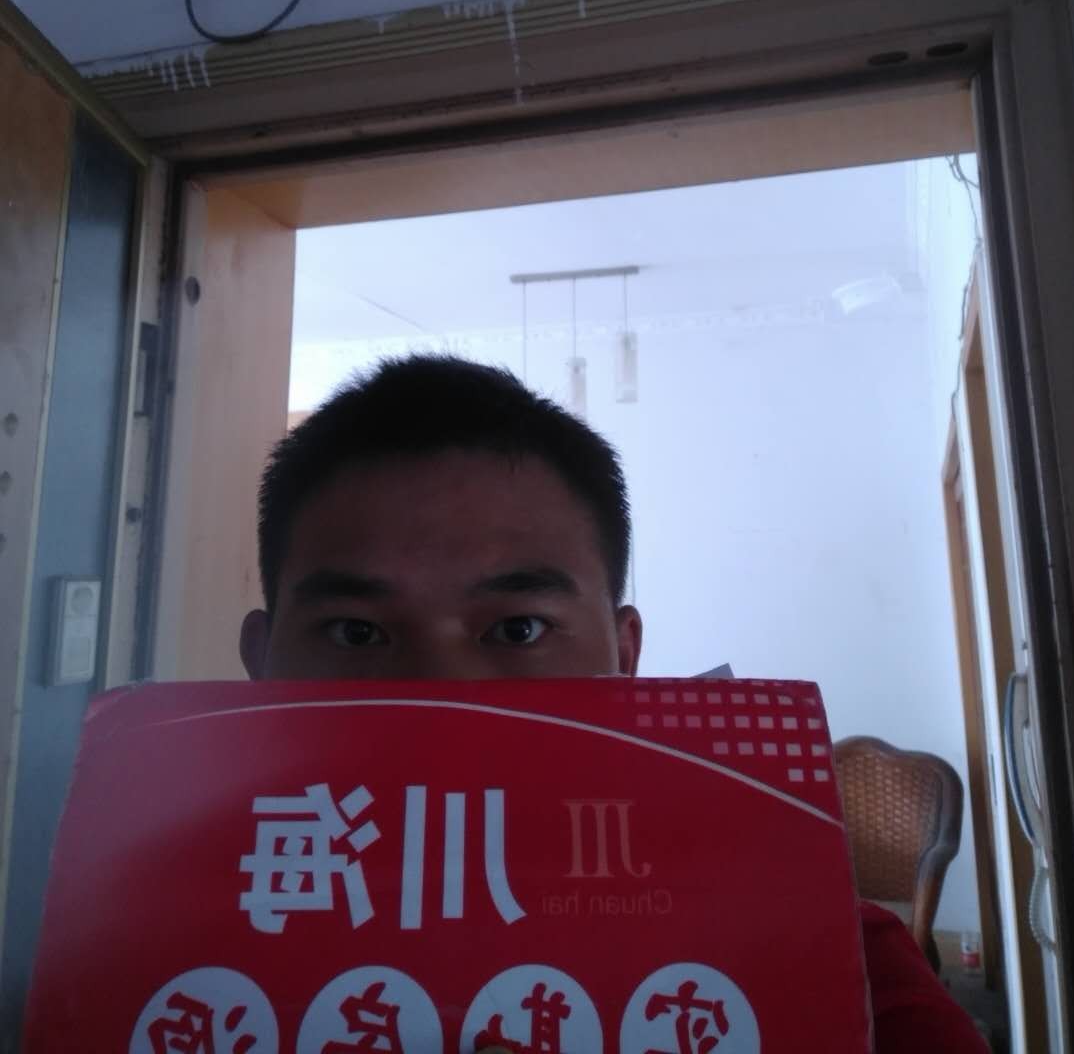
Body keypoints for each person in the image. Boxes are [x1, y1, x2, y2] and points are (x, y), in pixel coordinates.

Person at [240, 354, 987, 1054]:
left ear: (625, 659)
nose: (443, 701)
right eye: (357, 631)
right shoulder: (174, 921)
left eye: (519, 629)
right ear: (260, 664)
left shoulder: (828, 960)